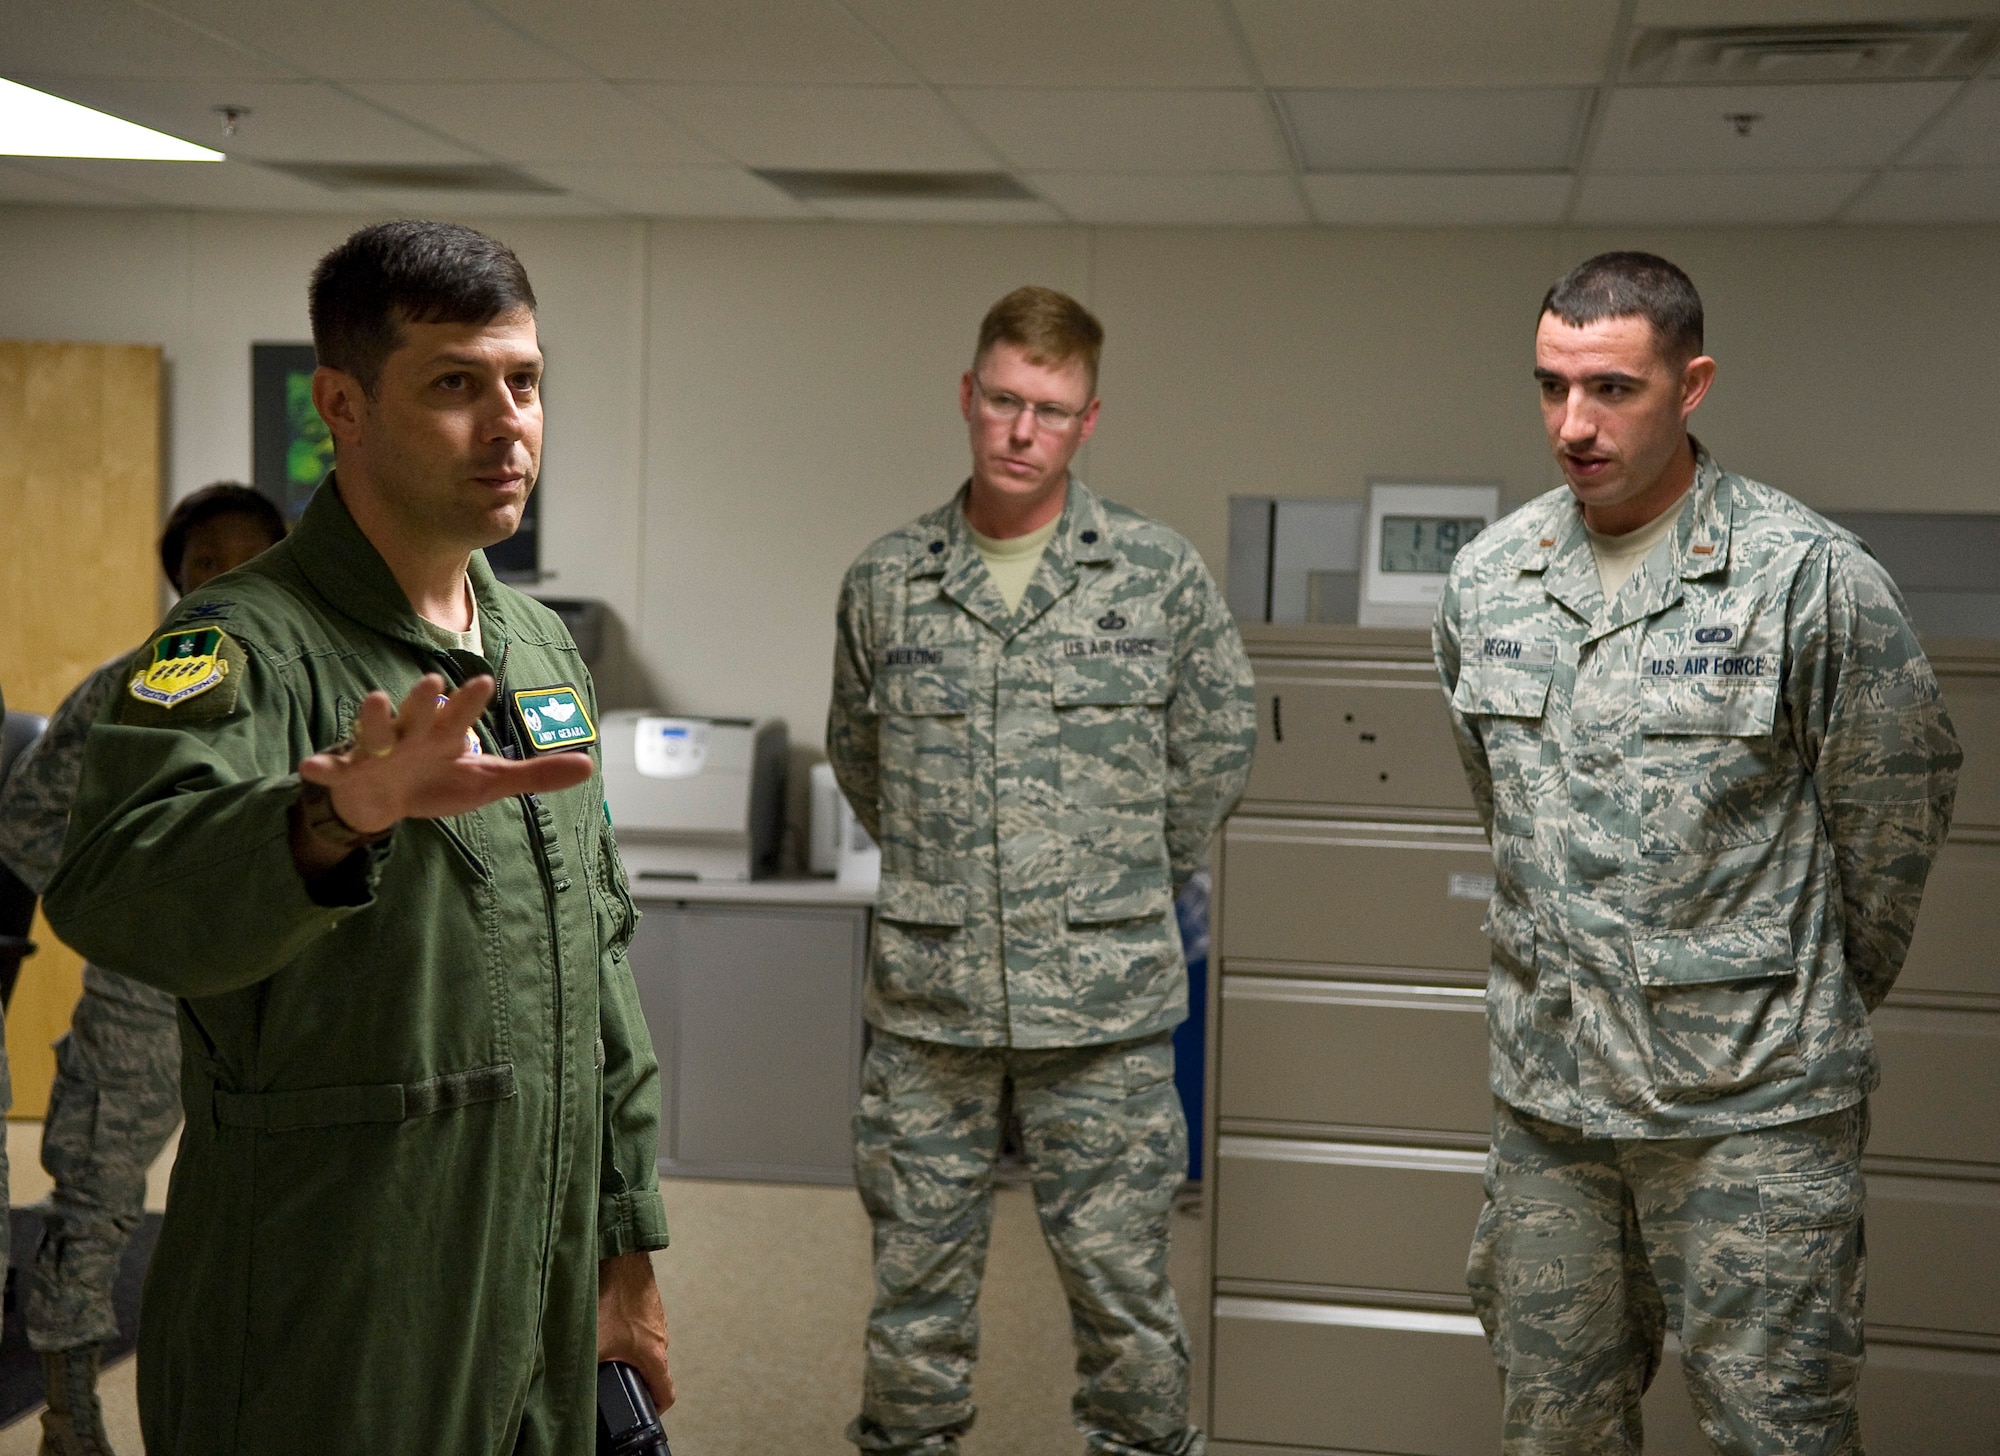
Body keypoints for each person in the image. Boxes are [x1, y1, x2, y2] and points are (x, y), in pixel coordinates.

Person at [42, 220, 672, 1456]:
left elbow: (595, 965)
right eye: (455, 384)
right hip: (333, 1295)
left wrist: (627, 1245)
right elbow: (115, 894)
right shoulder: (235, 646)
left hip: (537, 1277)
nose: (508, 425)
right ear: (343, 402)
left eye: (525, 381)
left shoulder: (536, 648)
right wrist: (330, 816)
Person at [1434, 251, 1962, 1455]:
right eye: (1551, 384)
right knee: (1551, 1424)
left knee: (1775, 1432)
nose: (1574, 423)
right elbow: (1506, 808)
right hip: (1552, 1106)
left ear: (1691, 383)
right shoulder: (1490, 580)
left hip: (1750, 1110)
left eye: (1612, 388)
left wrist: (1790, 996)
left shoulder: (1803, 578)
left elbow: (1891, 812)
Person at [827, 285, 1256, 1456]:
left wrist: (1112, 881)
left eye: (1050, 410)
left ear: (1087, 420)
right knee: (911, 1314)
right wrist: (955, 874)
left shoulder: (1152, 576)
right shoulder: (886, 581)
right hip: (932, 1009)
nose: (1022, 431)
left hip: (1103, 1009)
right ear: (967, 398)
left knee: (1125, 1310)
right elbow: (858, 756)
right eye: (1004, 401)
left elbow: (1218, 746)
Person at [0, 482, 286, 1456]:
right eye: (206, 564)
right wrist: (128, 911)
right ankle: (70, 1416)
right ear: (178, 580)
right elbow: (30, 820)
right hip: (146, 993)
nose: (229, 579)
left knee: (281, 1208)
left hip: (282, 991)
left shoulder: (309, 680)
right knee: (97, 1199)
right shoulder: (136, 684)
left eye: (250, 558)